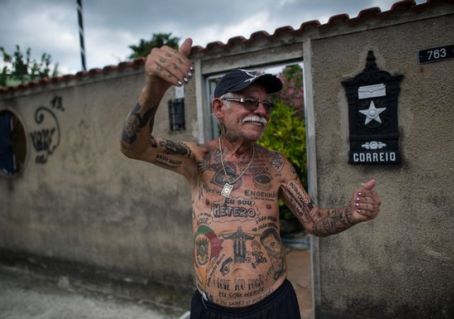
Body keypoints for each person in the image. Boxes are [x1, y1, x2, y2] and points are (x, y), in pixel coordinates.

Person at [120, 38, 381, 319]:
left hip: (274, 307)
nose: (261, 111)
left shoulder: (276, 165)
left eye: (266, 105)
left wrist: (351, 214)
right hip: (211, 310)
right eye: (248, 101)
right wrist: (155, 88)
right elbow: (135, 146)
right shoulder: (197, 159)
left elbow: (313, 220)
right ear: (219, 108)